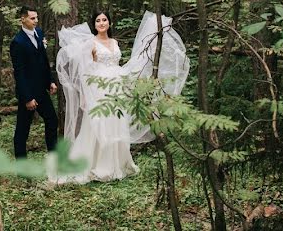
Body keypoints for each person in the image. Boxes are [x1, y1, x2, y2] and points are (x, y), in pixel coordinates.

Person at [51, 10, 189, 184]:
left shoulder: (114, 42)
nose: (101, 23)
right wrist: (86, 95)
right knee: (99, 124)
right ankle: (97, 165)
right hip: (99, 88)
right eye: (98, 21)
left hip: (117, 86)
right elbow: (86, 71)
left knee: (117, 122)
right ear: (94, 25)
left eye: (104, 20)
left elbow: (118, 64)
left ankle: (118, 164)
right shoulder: (91, 43)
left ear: (109, 23)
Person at [9, 5, 58, 158]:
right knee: (23, 130)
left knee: (52, 120)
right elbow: (20, 72)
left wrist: (50, 81)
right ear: (23, 19)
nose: (36, 21)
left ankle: (53, 157)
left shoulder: (39, 33)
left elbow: (44, 60)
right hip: (28, 93)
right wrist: (28, 98)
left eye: (36, 18)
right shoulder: (17, 42)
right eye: (32, 18)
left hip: (41, 90)